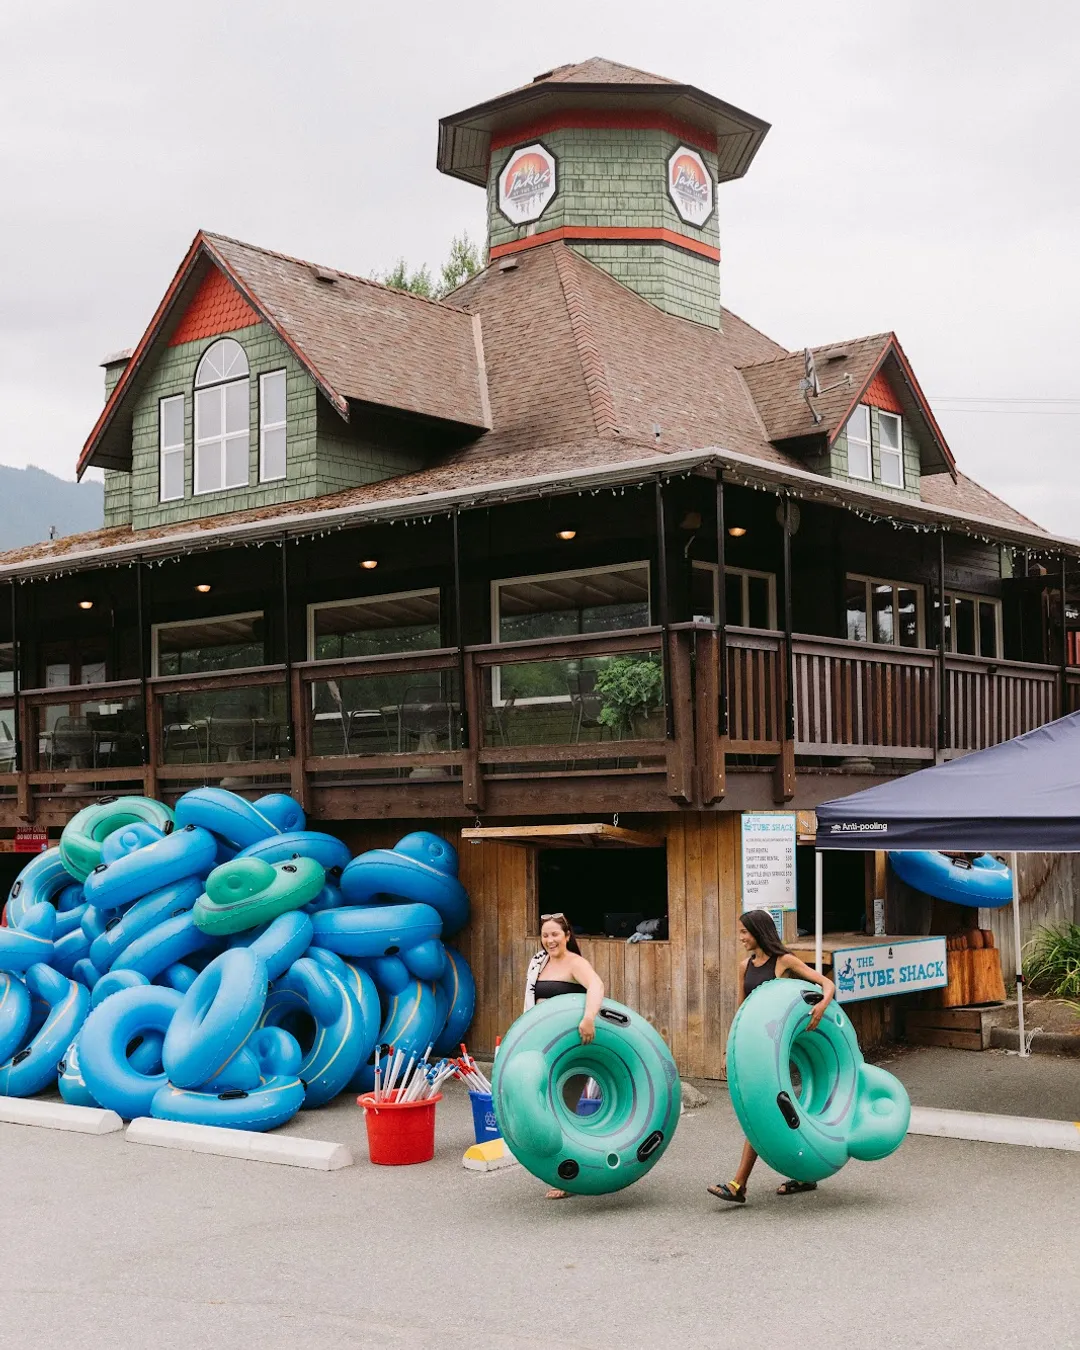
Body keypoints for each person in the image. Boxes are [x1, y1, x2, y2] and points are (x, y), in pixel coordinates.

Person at [707, 908, 836, 1205]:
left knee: (764, 1113)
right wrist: (729, 1050)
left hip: (783, 1049)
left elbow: (827, 984)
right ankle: (801, 1174)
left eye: (744, 932)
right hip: (756, 1052)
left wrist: (821, 1005)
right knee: (763, 1113)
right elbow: (740, 1013)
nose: (740, 937)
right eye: (740, 932)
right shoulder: (744, 966)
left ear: (758, 932)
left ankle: (739, 1184)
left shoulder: (784, 962)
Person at [523, 912, 605, 1199]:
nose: (550, 940)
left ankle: (568, 1176)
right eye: (545, 935)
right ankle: (561, 1169)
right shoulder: (539, 963)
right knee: (547, 1107)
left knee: (564, 1111)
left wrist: (589, 1018)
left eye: (555, 934)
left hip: (571, 1048)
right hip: (544, 1046)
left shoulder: (576, 963)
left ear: (567, 935)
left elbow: (596, 986)